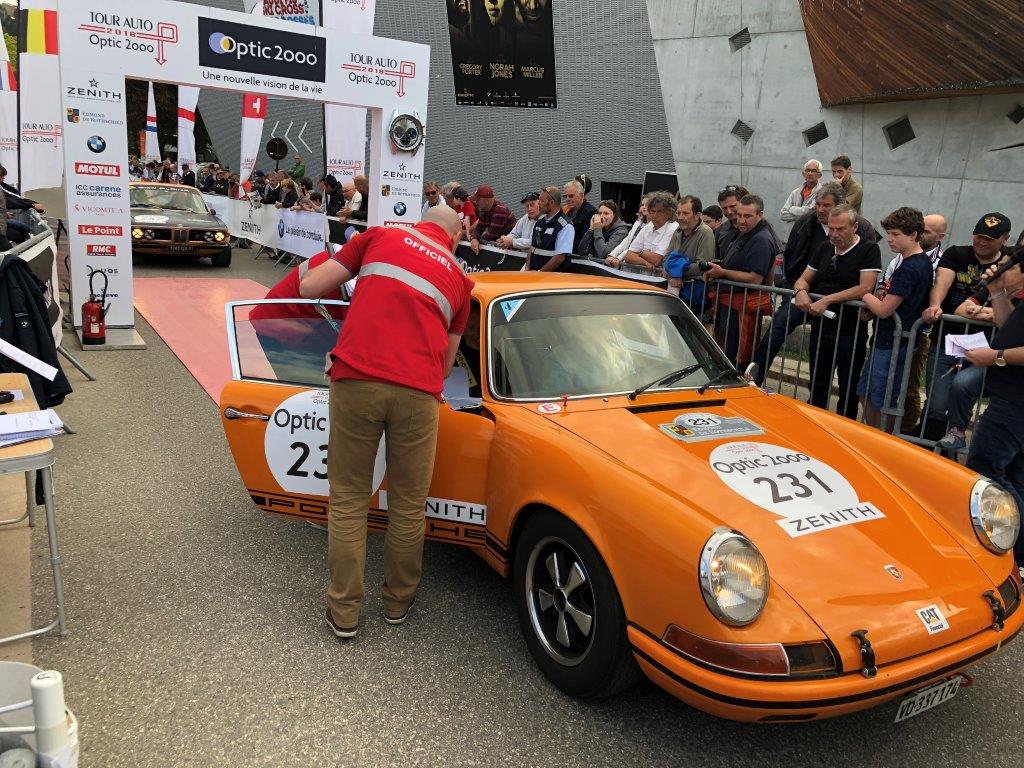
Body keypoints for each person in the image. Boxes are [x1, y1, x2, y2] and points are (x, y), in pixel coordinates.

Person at [298, 206, 474, 639]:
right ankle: (397, 602)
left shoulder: (378, 237)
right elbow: (447, 361)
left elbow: (309, 285)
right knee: (409, 505)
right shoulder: (460, 282)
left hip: (357, 378)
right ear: (455, 238)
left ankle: (344, 613)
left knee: (349, 498)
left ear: (418, 222)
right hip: (417, 393)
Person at [750, 183, 876, 385]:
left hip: (843, 305)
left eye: (826, 205)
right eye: (818, 204)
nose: (820, 209)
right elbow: (792, 254)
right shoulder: (805, 223)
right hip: (805, 292)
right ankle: (754, 379)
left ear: (840, 206)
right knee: (778, 326)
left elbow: (867, 269)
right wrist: (799, 289)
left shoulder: (863, 227)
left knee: (838, 363)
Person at [920, 212, 1012, 440]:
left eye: (989, 239)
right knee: (937, 402)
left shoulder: (1009, 263)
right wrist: (935, 305)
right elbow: (944, 285)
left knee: (964, 391)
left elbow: (1010, 312)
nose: (981, 242)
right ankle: (930, 443)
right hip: (946, 341)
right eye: (978, 236)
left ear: (1005, 239)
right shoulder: (957, 253)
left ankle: (953, 440)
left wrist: (985, 313)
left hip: (985, 347)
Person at [963, 255, 1024, 568]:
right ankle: (1018, 554)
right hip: (1010, 396)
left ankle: (1009, 541)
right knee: (1014, 473)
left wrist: (995, 356)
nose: (1006, 268)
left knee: (987, 468)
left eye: (1011, 266)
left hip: (1015, 402)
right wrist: (998, 291)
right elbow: (1008, 327)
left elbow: (1008, 348)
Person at [793, 204, 880, 418]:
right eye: (831, 228)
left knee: (848, 385)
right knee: (818, 381)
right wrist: (801, 292)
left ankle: (845, 425)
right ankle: (815, 422)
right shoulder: (824, 248)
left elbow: (865, 287)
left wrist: (828, 300)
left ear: (855, 227)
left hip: (850, 328)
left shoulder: (869, 249)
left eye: (840, 229)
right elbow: (803, 279)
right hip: (822, 327)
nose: (834, 234)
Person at [857, 207, 932, 430]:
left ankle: (881, 440)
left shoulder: (912, 266)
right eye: (888, 233)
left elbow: (883, 309)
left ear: (914, 235)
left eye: (896, 234)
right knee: (866, 393)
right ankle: (874, 436)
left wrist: (864, 293)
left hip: (894, 344)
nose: (889, 239)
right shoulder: (909, 262)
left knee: (882, 401)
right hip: (889, 341)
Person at [249, 248, 349, 382]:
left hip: (310, 328)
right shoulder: (343, 278)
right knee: (304, 387)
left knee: (317, 388)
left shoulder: (352, 257)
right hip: (281, 326)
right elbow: (352, 341)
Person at [705, 194, 776, 369]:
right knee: (723, 353)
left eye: (747, 216)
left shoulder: (762, 239)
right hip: (728, 305)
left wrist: (722, 272)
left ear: (760, 215)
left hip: (742, 309)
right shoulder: (744, 233)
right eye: (740, 215)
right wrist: (717, 270)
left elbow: (754, 278)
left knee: (736, 357)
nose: (741, 220)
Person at [894, 212, 947, 432]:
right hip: (896, 330)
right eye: (920, 228)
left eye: (927, 231)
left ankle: (905, 432)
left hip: (920, 332)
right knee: (893, 383)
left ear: (940, 236)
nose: (921, 234)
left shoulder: (942, 262)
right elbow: (887, 281)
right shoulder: (901, 254)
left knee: (910, 386)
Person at [664, 195, 716, 311]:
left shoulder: (705, 233)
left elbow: (703, 265)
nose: (680, 217)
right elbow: (666, 259)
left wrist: (677, 272)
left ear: (697, 215)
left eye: (686, 213)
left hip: (694, 294)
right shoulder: (677, 232)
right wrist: (674, 274)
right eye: (678, 213)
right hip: (675, 290)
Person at [604, 191, 677, 271]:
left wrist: (640, 252)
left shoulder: (673, 228)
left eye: (660, 212)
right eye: (652, 211)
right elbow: (629, 256)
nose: (655, 216)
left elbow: (657, 260)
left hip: (658, 280)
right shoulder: (647, 227)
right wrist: (644, 262)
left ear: (669, 214)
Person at [528, 186, 573, 272]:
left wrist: (540, 273)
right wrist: (527, 268)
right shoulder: (540, 222)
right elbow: (532, 248)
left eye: (541, 200)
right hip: (535, 277)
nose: (538, 204)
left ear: (552, 202)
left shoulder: (565, 226)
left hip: (553, 280)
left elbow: (560, 258)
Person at [779, 159, 823, 240]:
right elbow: (783, 214)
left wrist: (791, 208)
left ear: (819, 175)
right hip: (790, 237)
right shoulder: (795, 192)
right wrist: (804, 215)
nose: (810, 173)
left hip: (809, 237)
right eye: (807, 170)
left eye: (813, 171)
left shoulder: (822, 193)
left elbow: (810, 212)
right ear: (803, 174)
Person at [469, 185, 516, 252]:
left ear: (487, 200)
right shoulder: (485, 210)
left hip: (512, 252)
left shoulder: (500, 211)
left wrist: (476, 239)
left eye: (478, 200)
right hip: (500, 247)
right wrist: (474, 239)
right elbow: (479, 228)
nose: (476, 202)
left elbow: (489, 236)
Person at [607, 195, 649, 262]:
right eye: (642, 204)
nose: (644, 207)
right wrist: (612, 255)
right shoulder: (638, 222)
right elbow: (627, 241)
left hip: (635, 263)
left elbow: (636, 248)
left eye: (647, 205)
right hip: (625, 260)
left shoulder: (651, 226)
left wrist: (618, 258)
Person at [562, 179, 597, 253]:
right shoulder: (566, 212)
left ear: (581, 195)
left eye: (571, 196)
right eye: (566, 196)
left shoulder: (590, 212)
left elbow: (584, 240)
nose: (567, 199)